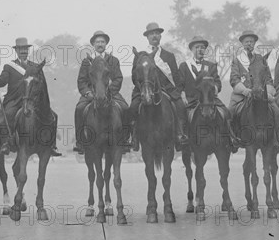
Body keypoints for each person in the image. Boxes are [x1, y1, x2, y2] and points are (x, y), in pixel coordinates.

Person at [0, 38, 61, 156]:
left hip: (32, 100)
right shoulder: (9, 66)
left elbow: (42, 86)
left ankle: (51, 145)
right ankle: (8, 142)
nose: (23, 51)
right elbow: (1, 82)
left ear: (28, 51)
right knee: (8, 115)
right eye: (20, 49)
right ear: (16, 51)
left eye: (25, 49)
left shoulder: (36, 67)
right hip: (15, 100)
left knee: (53, 116)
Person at [130, 22, 188, 151]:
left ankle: (180, 135)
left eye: (157, 33)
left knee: (180, 106)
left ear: (160, 36)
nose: (154, 36)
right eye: (151, 34)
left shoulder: (169, 56)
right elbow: (135, 77)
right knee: (133, 107)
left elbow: (176, 77)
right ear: (147, 37)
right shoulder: (140, 55)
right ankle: (133, 138)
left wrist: (179, 92)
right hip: (145, 88)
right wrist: (144, 88)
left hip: (167, 89)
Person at [228, 31, 279, 152]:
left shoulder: (261, 59)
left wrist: (269, 93)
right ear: (242, 44)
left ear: (255, 43)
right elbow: (234, 79)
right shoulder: (237, 60)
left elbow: (268, 79)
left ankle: (278, 139)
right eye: (246, 42)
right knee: (230, 111)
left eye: (251, 41)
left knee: (277, 111)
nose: (249, 43)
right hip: (242, 94)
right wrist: (244, 90)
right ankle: (234, 139)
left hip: (261, 94)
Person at [73, 30, 131, 154]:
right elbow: (81, 81)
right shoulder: (87, 61)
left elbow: (118, 78)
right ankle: (80, 141)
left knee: (125, 108)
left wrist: (109, 91)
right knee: (79, 109)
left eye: (102, 42)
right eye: (97, 42)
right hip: (91, 94)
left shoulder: (113, 60)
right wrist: (87, 93)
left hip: (110, 93)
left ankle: (125, 140)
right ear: (93, 44)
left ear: (106, 44)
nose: (100, 44)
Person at [179, 35, 240, 153]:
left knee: (226, 112)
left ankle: (231, 138)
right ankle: (183, 138)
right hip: (191, 99)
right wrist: (182, 95)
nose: (200, 50)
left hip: (209, 99)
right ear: (192, 49)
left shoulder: (211, 66)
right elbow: (180, 84)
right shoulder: (184, 66)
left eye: (203, 47)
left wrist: (214, 89)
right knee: (181, 114)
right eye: (197, 47)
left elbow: (218, 83)